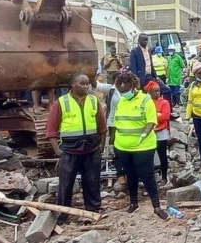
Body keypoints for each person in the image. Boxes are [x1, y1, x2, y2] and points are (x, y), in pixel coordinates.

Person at [46, 73, 106, 224]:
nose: (86, 86)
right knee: (66, 184)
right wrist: (58, 151)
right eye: (82, 83)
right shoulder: (61, 102)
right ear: (73, 84)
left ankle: (93, 210)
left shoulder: (93, 100)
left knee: (92, 181)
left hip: (91, 150)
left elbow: (102, 126)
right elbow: (51, 129)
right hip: (70, 151)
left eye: (87, 84)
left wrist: (101, 145)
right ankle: (63, 213)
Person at [112, 72, 168, 220]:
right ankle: (133, 203)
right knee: (130, 175)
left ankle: (156, 207)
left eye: (126, 90)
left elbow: (151, 120)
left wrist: (144, 134)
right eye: (121, 91)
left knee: (147, 175)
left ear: (134, 86)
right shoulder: (121, 102)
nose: (123, 93)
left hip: (143, 146)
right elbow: (117, 122)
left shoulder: (146, 100)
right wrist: (114, 143)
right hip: (123, 147)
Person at [144, 81, 170, 187]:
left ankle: (164, 177)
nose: (157, 93)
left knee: (162, 155)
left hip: (161, 132)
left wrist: (152, 118)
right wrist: (157, 116)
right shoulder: (147, 103)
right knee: (148, 156)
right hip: (150, 132)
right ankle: (150, 178)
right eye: (154, 91)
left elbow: (165, 116)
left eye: (158, 91)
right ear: (149, 92)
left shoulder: (164, 103)